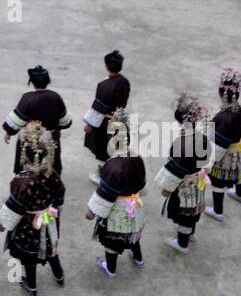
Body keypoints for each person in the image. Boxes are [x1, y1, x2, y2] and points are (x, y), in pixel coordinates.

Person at [0, 121, 66, 296]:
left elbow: (15, 208)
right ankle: (59, 276)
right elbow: (59, 199)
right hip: (48, 218)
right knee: (50, 247)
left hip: (27, 225)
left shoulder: (21, 181)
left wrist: (3, 224)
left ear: (25, 156)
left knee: (29, 257)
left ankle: (32, 286)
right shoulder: (53, 175)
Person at [85, 111, 146, 277]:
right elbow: (142, 184)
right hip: (135, 205)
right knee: (133, 234)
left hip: (117, 211)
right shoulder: (137, 158)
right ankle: (138, 258)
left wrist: (92, 211)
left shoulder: (112, 166)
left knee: (112, 239)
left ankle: (110, 268)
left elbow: (105, 194)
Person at [155, 93, 209, 254]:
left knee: (184, 211)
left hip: (185, 183)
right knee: (193, 208)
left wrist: (167, 187)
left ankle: (182, 243)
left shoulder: (182, 143)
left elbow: (175, 169)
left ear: (182, 122)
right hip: (198, 180)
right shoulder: (202, 138)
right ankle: (190, 233)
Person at [3, 65, 71, 172]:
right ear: (48, 81)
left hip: (31, 139)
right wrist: (57, 128)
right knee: (50, 164)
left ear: (32, 82)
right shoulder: (55, 97)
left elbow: (16, 121)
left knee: (28, 165)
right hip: (51, 138)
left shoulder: (27, 98)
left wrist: (8, 133)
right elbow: (65, 121)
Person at [205, 70, 241, 222]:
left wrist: (208, 161)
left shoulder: (224, 117)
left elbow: (218, 147)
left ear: (223, 95)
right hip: (236, 152)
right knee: (238, 173)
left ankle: (218, 211)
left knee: (218, 182)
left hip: (223, 156)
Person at [82, 50, 130, 183]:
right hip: (120, 119)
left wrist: (89, 124)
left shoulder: (104, 85)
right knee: (116, 148)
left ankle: (104, 176)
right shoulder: (124, 82)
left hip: (106, 122)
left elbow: (98, 108)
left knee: (104, 148)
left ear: (107, 66)